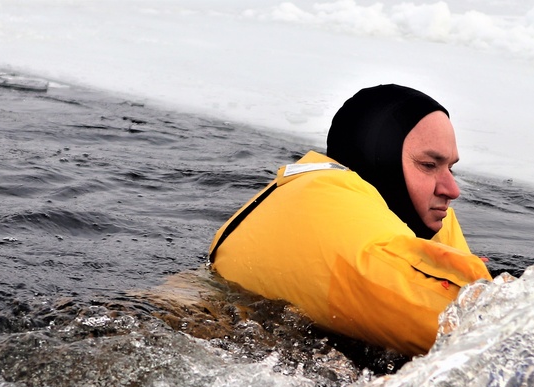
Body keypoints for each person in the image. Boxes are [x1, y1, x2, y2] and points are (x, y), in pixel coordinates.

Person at [208, 84, 492, 357]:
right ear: (379, 160)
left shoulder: (387, 219)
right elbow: (487, 334)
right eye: (429, 165)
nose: (453, 190)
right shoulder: (336, 227)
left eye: (450, 168)